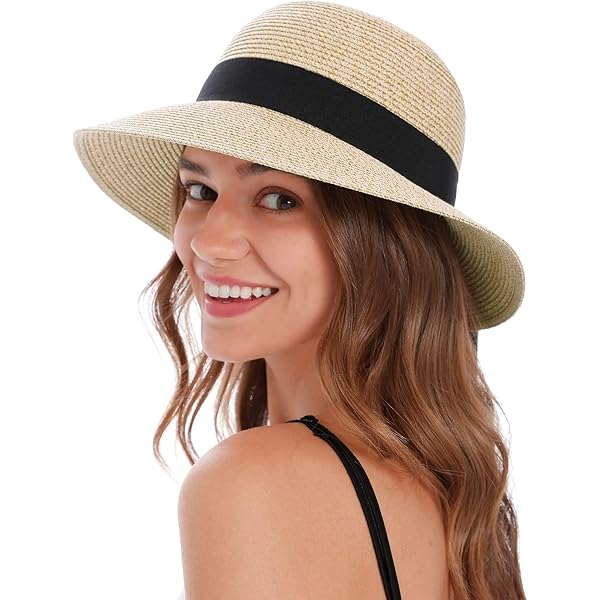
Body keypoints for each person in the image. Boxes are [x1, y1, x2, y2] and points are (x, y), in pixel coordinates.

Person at [72, 2, 526, 599]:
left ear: (385, 246)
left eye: (279, 199)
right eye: (200, 189)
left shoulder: (254, 484)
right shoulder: (449, 498)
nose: (208, 241)